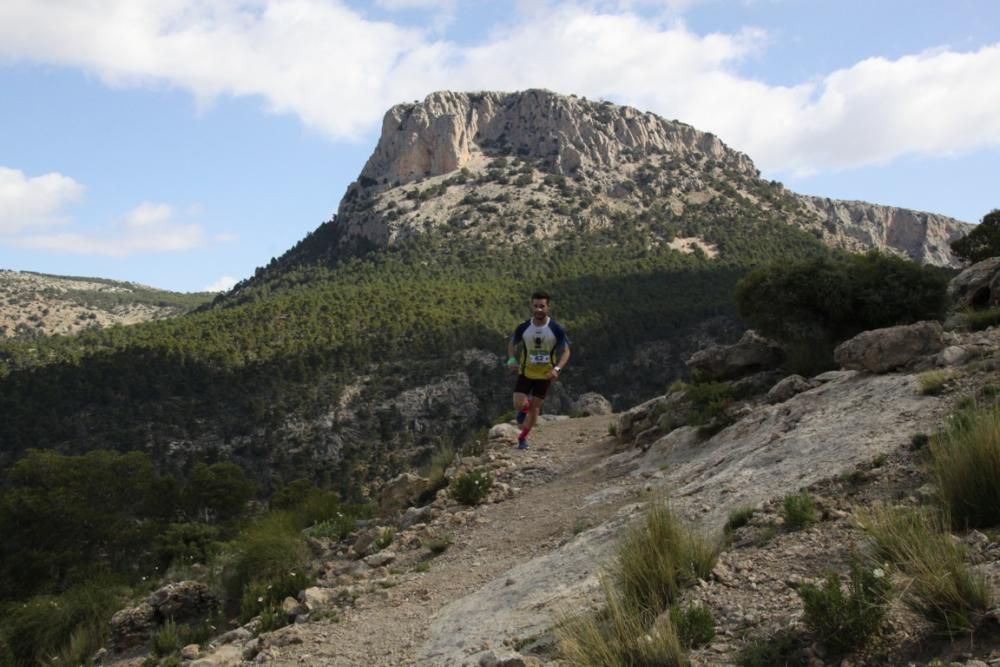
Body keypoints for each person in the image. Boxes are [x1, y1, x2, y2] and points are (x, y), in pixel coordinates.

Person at [506, 290, 571, 449]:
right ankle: (525, 409)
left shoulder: (556, 329)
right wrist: (512, 358)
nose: (539, 309)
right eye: (536, 306)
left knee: (535, 408)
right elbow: (512, 343)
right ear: (531, 306)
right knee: (518, 404)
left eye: (542, 306)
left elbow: (567, 351)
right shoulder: (524, 327)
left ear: (548, 307)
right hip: (526, 372)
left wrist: (557, 368)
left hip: (545, 375)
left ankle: (523, 438)